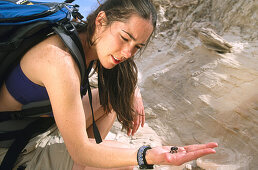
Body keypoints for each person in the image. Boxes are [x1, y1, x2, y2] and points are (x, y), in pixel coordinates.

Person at [0, 0, 218, 169]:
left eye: (137, 46)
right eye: (125, 38)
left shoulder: (80, 34)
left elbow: (124, 77)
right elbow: (80, 151)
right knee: (125, 164)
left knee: (113, 97)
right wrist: (148, 155)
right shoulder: (59, 61)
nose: (127, 53)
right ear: (101, 20)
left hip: (33, 129)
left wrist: (133, 90)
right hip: (13, 151)